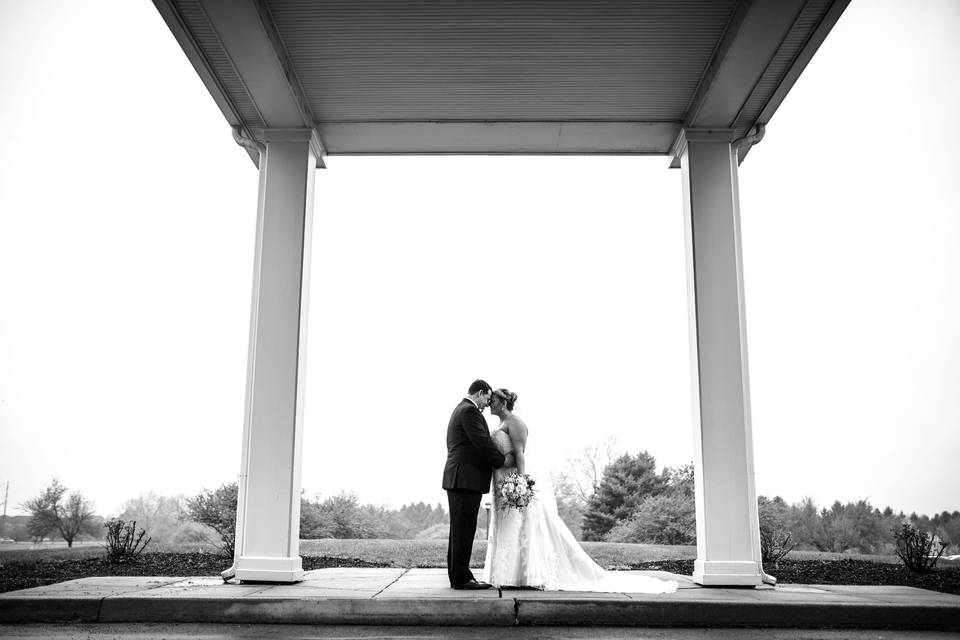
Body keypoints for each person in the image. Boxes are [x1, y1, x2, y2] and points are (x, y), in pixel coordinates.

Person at [483, 388, 677, 593]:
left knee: (522, 526)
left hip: (514, 480)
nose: (489, 404)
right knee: (509, 526)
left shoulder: (516, 423)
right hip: (502, 480)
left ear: (503, 403)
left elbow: (521, 454)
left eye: (493, 401)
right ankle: (509, 574)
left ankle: (528, 574)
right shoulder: (501, 424)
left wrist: (520, 483)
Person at [442, 379, 506, 590]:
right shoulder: (469, 412)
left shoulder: (460, 409)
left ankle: (458, 576)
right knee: (464, 529)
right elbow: (482, 443)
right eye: (487, 399)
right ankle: (462, 578)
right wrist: (502, 461)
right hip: (465, 479)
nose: (487, 404)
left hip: (460, 478)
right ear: (480, 393)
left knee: (460, 529)